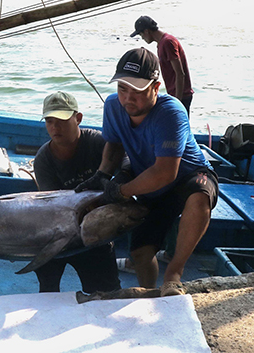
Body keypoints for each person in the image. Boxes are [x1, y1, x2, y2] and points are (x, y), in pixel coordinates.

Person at [76, 47, 218, 297]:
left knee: (199, 196)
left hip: (187, 176)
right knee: (140, 253)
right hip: (150, 183)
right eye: (122, 89)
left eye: (138, 91)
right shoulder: (112, 106)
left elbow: (165, 173)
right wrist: (102, 175)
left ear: (156, 87)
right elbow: (115, 145)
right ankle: (150, 294)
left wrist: (119, 191)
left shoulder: (171, 112)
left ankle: (173, 275)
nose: (128, 98)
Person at [33, 91, 121, 294]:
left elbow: (125, 167)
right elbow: (54, 206)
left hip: (96, 231)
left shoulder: (98, 143)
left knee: (108, 293)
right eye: (49, 121)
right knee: (47, 291)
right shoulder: (43, 160)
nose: (55, 128)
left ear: (78, 118)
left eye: (62, 121)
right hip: (57, 232)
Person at [130, 15, 194, 116]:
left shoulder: (168, 42)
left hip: (181, 95)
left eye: (141, 34)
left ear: (147, 31)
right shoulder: (162, 43)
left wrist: (177, 101)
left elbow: (180, 73)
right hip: (175, 94)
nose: (142, 38)